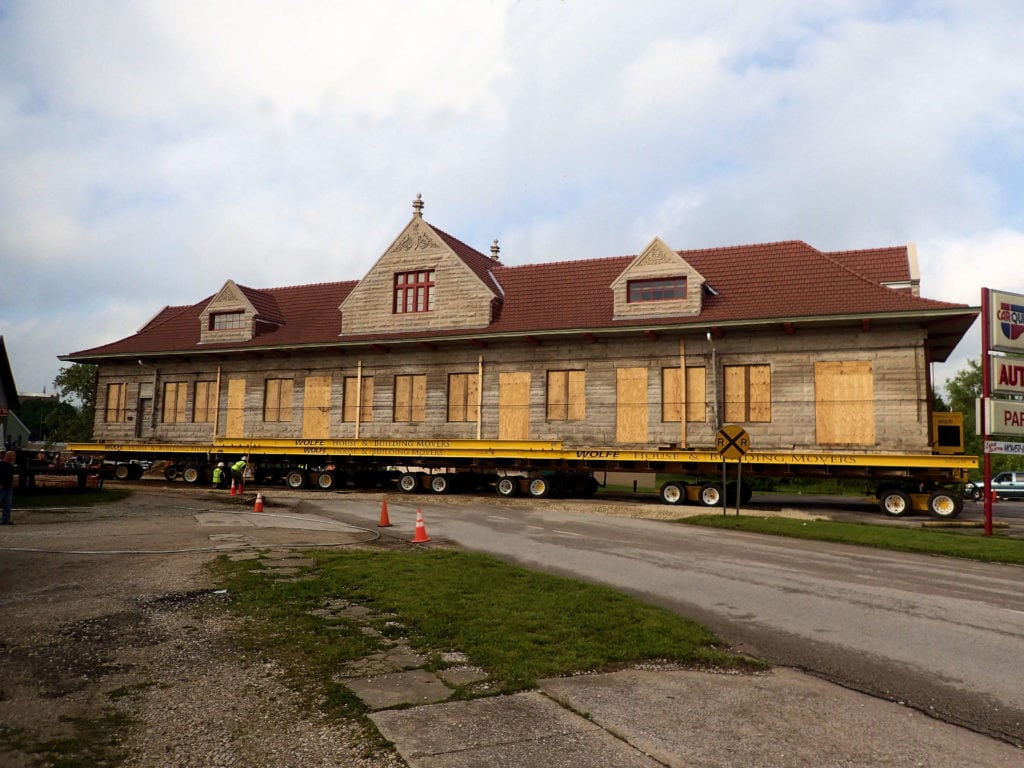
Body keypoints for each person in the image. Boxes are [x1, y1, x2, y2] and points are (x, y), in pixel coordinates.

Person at [0, 450, 16, 525]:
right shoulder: (1, 464)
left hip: (8, 487)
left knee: (7, 504)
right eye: (13, 456)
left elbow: (10, 477)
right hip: (2, 486)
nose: (14, 458)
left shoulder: (11, 466)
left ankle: (5, 519)